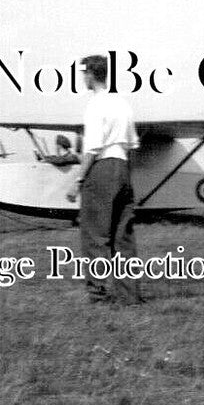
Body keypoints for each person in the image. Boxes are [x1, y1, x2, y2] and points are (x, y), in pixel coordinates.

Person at [66, 54, 141, 304]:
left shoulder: (95, 105)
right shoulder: (123, 104)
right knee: (124, 237)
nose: (82, 79)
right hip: (123, 168)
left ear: (89, 74)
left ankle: (98, 293)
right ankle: (129, 295)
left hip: (101, 169)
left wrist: (78, 181)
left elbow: (92, 149)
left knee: (95, 235)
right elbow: (132, 145)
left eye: (83, 74)